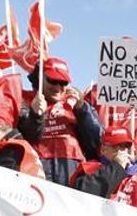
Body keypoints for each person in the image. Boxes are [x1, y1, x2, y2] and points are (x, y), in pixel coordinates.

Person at [23, 57, 101, 186]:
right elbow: (26, 135)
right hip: (37, 163)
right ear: (41, 79)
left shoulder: (75, 102)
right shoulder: (27, 100)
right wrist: (35, 115)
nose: (58, 87)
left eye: (63, 82)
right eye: (53, 81)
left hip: (70, 165)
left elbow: (97, 139)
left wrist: (82, 109)